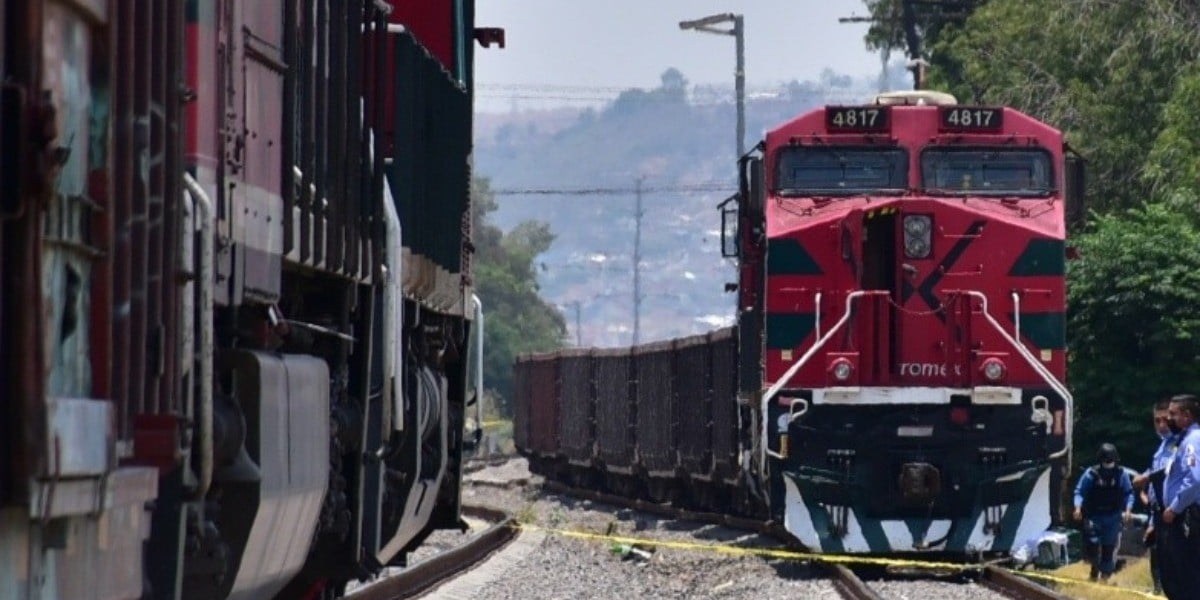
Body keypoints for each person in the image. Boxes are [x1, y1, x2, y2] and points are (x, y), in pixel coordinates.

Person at [1132, 399, 1178, 595]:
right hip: (1159, 514)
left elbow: (1170, 471)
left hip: (1176, 514)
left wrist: (1146, 477)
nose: (1161, 425)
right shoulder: (1161, 447)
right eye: (1156, 421)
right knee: (1158, 556)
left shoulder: (1181, 443)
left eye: (1165, 420)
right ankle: (1159, 590)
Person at [1073, 443, 1134, 582]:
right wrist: (1077, 507)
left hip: (1113, 516)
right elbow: (1079, 491)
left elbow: (1128, 493)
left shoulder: (1121, 474)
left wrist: (1128, 509)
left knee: (1108, 548)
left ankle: (1105, 578)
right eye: (1106, 460)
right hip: (1094, 515)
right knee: (1092, 544)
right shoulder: (1091, 474)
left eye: (1111, 460)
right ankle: (1094, 570)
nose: (1108, 463)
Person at [1159, 394, 1200, 599]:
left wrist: (1175, 507)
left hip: (1187, 516)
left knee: (1186, 575)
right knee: (1174, 575)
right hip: (1182, 516)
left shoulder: (1193, 440)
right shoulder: (1181, 441)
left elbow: (1195, 479)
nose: (1168, 419)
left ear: (1187, 415)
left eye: (1172, 414)